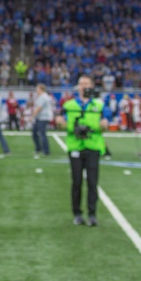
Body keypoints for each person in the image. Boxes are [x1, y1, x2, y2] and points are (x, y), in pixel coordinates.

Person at [56, 74, 107, 227]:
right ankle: (77, 213)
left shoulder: (99, 105)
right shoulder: (69, 104)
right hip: (75, 145)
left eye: (86, 83)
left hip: (93, 145)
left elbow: (106, 121)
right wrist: (60, 122)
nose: (83, 86)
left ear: (91, 86)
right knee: (76, 182)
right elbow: (60, 120)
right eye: (81, 83)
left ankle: (92, 214)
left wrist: (103, 124)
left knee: (92, 182)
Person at [31, 83, 54, 158]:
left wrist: (32, 116)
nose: (36, 90)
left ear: (41, 89)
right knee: (35, 133)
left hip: (43, 118)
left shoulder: (43, 97)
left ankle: (46, 150)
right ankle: (39, 148)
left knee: (42, 133)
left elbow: (39, 108)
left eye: (37, 89)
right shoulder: (41, 96)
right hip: (40, 117)